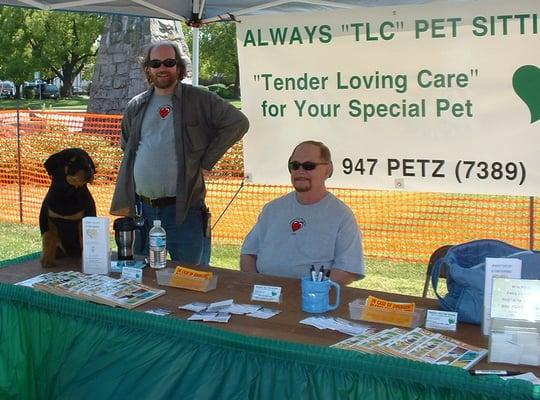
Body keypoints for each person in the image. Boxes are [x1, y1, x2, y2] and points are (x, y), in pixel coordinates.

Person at [110, 41, 249, 266]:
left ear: (179, 67)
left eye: (169, 62)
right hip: (143, 211)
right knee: (145, 279)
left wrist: (207, 160)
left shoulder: (199, 99)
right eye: (156, 63)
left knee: (190, 278)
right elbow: (128, 148)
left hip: (184, 211)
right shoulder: (136, 105)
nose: (162, 68)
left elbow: (238, 122)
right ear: (148, 68)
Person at [240, 140, 364, 286]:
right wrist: (256, 285)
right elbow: (248, 253)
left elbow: (347, 270)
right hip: (266, 295)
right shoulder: (272, 209)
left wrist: (314, 293)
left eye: (309, 166)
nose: (300, 171)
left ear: (327, 170)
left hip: (312, 299)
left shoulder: (342, 216)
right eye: (294, 165)